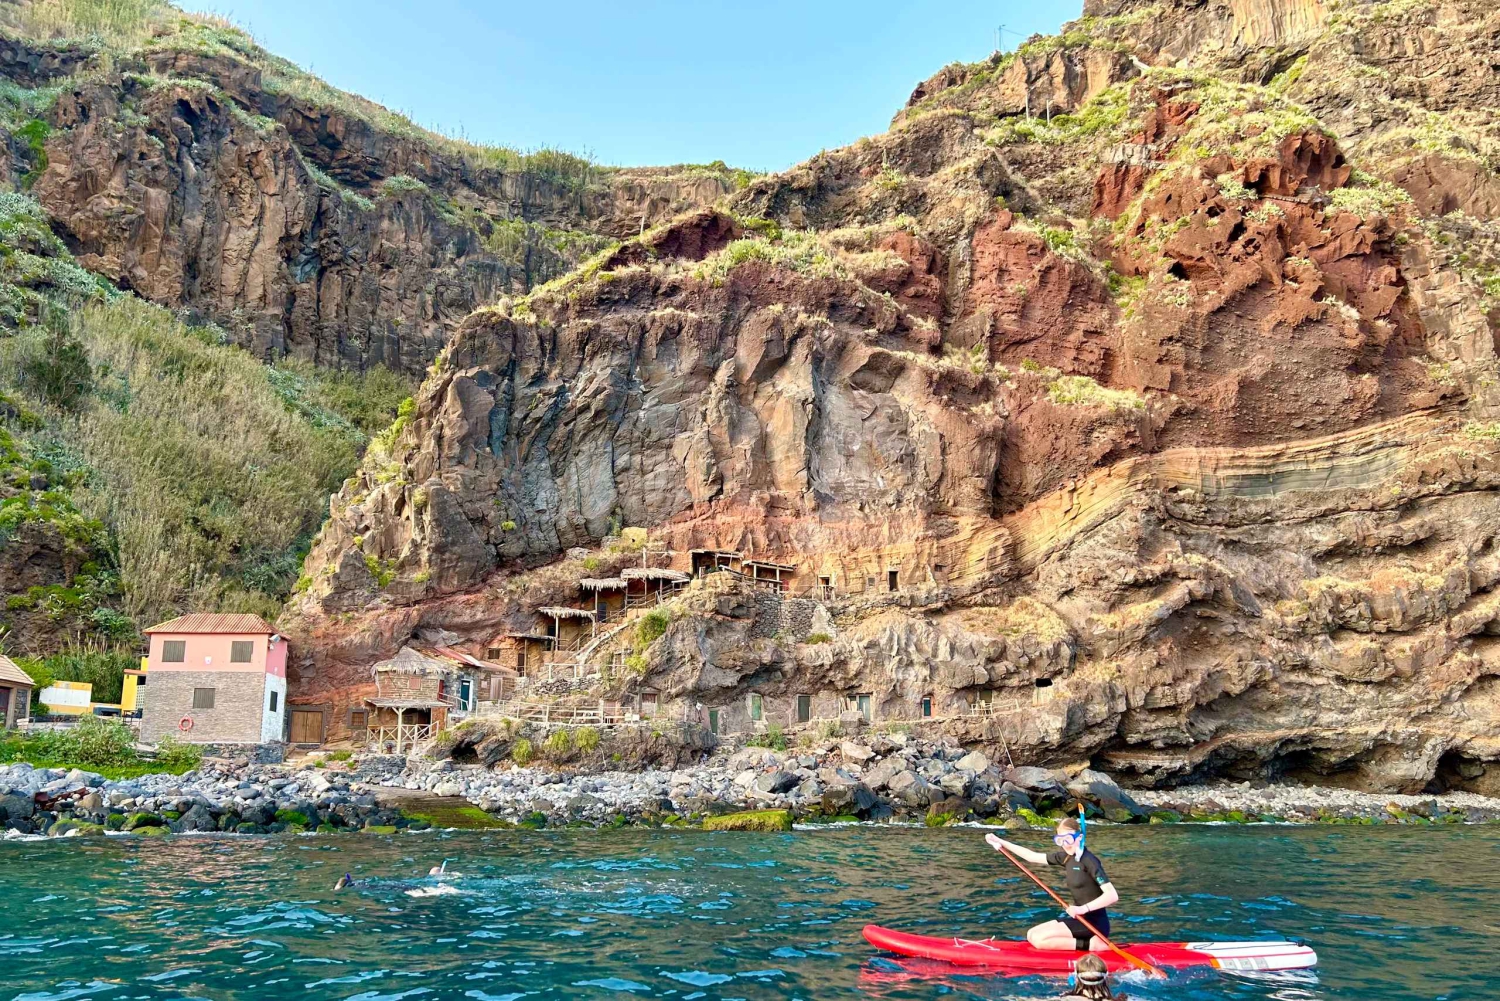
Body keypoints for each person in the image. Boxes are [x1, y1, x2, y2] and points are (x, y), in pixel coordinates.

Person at [985, 817, 1120, 952]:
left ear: (1079, 837)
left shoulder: (1090, 861)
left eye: (1068, 839)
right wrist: (999, 841)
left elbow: (1112, 895)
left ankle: (1093, 945)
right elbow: (1031, 856)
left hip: (1094, 924)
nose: (1064, 844)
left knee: (1039, 939)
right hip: (1080, 919)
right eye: (1060, 840)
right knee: (1031, 934)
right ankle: (1085, 943)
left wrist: (1082, 909)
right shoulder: (1067, 857)